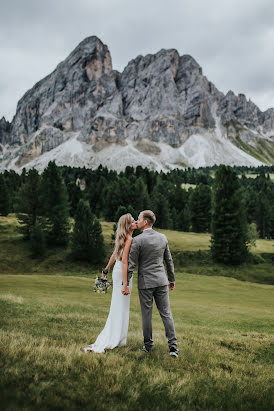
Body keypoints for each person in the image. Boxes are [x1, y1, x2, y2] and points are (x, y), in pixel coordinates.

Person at [126, 210, 178, 357]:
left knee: (146, 315)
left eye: (139, 218)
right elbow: (169, 261)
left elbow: (131, 265)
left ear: (146, 222)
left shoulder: (138, 240)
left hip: (146, 283)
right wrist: (171, 279)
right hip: (162, 281)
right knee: (166, 314)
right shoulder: (162, 238)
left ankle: (148, 346)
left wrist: (126, 283)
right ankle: (173, 348)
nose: (137, 220)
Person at [81, 213, 137, 353]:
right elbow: (124, 261)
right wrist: (125, 284)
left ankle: (119, 337)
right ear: (128, 225)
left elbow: (114, 254)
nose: (136, 221)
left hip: (117, 271)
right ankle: (116, 337)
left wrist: (106, 269)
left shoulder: (122, 237)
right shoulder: (129, 239)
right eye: (133, 220)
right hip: (123, 273)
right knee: (121, 306)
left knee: (118, 304)